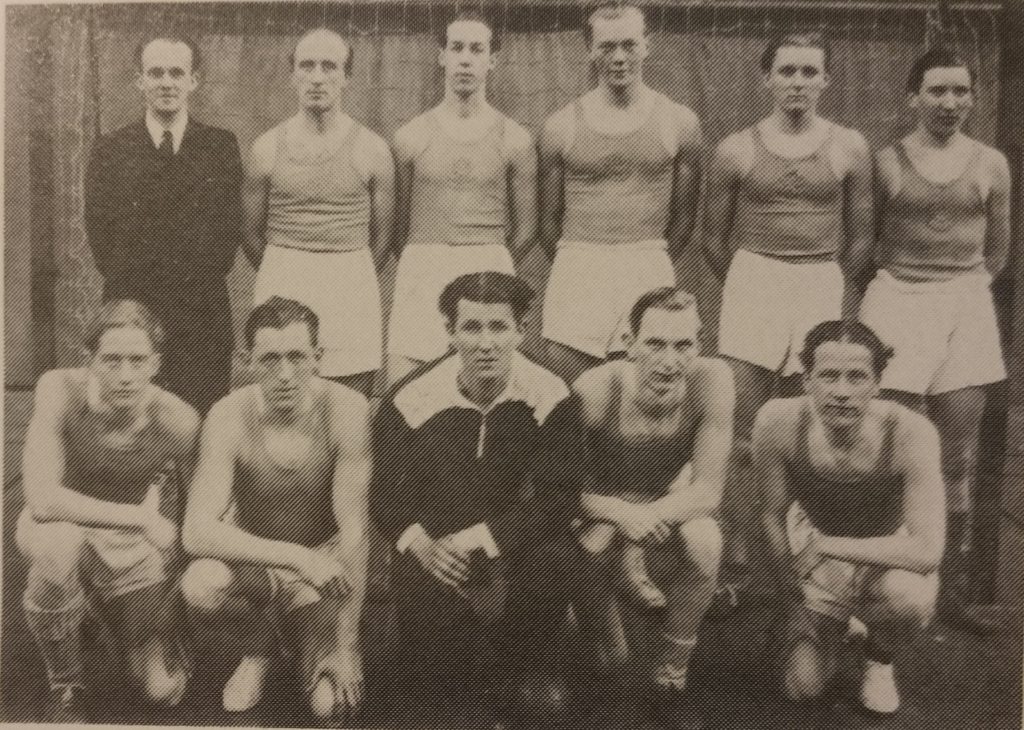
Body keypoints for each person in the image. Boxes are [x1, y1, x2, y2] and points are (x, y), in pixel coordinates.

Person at [369, 272, 592, 718]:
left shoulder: (550, 393)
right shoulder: (410, 398)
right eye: (471, 328)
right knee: (437, 685)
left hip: (509, 531)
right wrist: (420, 543)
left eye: (499, 327)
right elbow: (383, 492)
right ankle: (444, 640)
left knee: (558, 555)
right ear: (450, 332)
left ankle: (528, 661)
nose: (486, 344)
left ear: (521, 331)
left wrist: (488, 537)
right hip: (437, 539)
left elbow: (561, 496)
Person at [702, 31, 873, 595]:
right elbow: (713, 241)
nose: (798, 83)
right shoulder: (736, 149)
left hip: (819, 277)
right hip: (754, 278)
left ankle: (806, 557)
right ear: (767, 78)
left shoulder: (849, 147)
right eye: (787, 71)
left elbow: (861, 238)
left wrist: (824, 283)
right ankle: (734, 557)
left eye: (809, 72)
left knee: (811, 422)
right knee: (742, 426)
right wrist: (753, 284)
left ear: (825, 79)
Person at [860, 47, 1011, 634]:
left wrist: (960, 292)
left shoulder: (991, 163)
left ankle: (949, 588)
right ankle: (868, 576)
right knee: (886, 446)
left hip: (964, 302)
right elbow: (864, 243)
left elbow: (998, 250)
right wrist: (903, 293)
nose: (950, 102)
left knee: (954, 456)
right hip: (897, 298)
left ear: (972, 97)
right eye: (937, 91)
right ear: (913, 97)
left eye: (960, 91)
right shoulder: (886, 162)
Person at [179, 297, 370, 721]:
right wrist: (296, 557)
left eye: (297, 357)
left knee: (329, 707)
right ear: (247, 361)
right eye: (269, 359)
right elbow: (196, 530)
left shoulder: (347, 410)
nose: (284, 374)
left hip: (323, 568)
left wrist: (347, 642)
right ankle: (259, 649)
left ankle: (299, 633)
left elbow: (354, 531)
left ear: (318, 358)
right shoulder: (228, 414)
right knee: (201, 584)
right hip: (258, 565)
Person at [17, 300, 199, 722]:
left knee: (162, 690)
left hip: (129, 543)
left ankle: (97, 614)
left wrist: (173, 603)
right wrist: (144, 518)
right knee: (58, 547)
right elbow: (42, 500)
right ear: (90, 360)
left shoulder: (178, 420)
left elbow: (197, 516)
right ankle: (66, 686)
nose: (126, 375)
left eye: (138, 361)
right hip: (63, 523)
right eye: (112, 360)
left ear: (156, 363)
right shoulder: (59, 389)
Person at [754, 320, 944, 715]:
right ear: (806, 380)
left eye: (857, 377)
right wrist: (791, 598)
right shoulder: (777, 422)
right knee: (801, 688)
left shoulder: (911, 432)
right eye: (828, 376)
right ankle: (840, 623)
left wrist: (828, 546)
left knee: (908, 597)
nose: (841, 392)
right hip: (815, 552)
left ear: (877, 384)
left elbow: (927, 551)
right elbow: (771, 515)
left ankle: (879, 657)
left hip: (886, 552)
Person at [572, 288, 732, 705]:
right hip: (600, 505)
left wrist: (649, 513)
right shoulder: (595, 389)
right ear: (630, 343)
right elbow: (558, 491)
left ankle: (673, 667)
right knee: (609, 661)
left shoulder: (714, 380)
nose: (669, 361)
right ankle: (609, 587)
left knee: (706, 541)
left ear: (699, 345)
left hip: (665, 498)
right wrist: (620, 514)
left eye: (683, 346)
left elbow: (708, 490)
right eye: (655, 344)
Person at [538, 2, 703, 383]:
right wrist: (582, 257)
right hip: (580, 261)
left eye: (629, 45)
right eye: (607, 46)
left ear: (647, 45)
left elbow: (684, 218)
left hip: (647, 259)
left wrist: (646, 255)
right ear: (589, 49)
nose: (618, 58)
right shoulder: (560, 126)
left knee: (644, 387)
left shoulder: (679, 122)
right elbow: (548, 222)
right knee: (574, 389)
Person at [85, 35, 243, 414]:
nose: (167, 83)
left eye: (176, 73)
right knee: (131, 418)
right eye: (156, 73)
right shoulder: (111, 149)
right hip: (132, 309)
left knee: (200, 420)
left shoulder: (219, 146)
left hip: (200, 312)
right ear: (139, 80)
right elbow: (103, 240)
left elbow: (225, 236)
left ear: (194, 80)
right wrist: (139, 300)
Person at [388, 10, 536, 385]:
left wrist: (487, 262)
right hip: (424, 264)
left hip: (488, 264)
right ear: (442, 56)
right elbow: (398, 227)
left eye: (476, 49)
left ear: (493, 59)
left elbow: (526, 228)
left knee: (486, 385)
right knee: (407, 387)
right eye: (456, 48)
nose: (465, 59)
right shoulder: (410, 137)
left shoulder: (515, 139)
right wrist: (429, 258)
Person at [243, 28, 394, 396]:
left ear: (347, 76)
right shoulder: (266, 148)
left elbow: (383, 237)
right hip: (284, 273)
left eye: (329, 67)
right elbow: (249, 233)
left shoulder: (373, 149)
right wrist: (288, 264)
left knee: (350, 399)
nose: (317, 78)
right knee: (283, 392)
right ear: (292, 74)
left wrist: (346, 270)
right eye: (306, 66)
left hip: (349, 278)